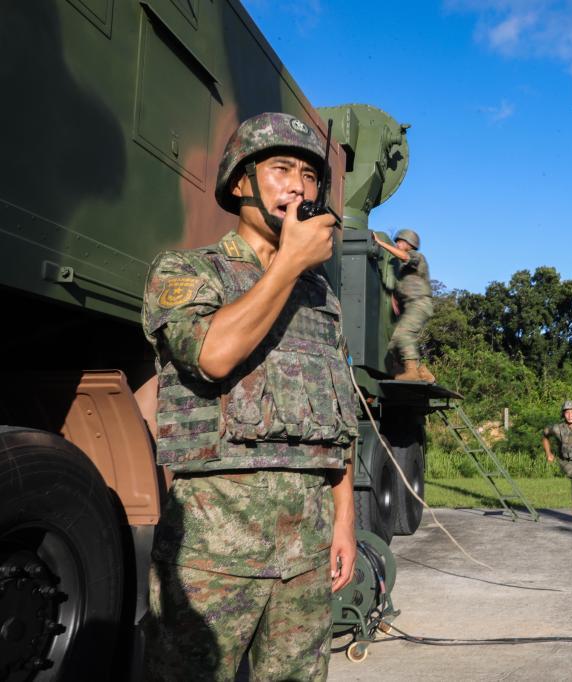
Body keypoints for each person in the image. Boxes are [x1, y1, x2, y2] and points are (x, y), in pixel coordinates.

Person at [140, 112, 361, 680]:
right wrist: (288, 264)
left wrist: (344, 521)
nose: (299, 187)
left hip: (306, 550)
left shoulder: (321, 299)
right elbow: (212, 356)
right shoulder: (189, 271)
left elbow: (340, 422)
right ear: (240, 182)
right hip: (214, 552)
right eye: (281, 169)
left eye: (310, 176)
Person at [372, 229, 436, 382]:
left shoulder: (416, 256)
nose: (397, 244)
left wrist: (380, 243)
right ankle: (422, 372)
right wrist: (395, 299)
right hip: (412, 306)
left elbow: (405, 257)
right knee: (394, 343)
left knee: (404, 335)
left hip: (420, 303)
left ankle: (411, 372)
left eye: (400, 242)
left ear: (409, 243)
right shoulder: (404, 271)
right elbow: (403, 288)